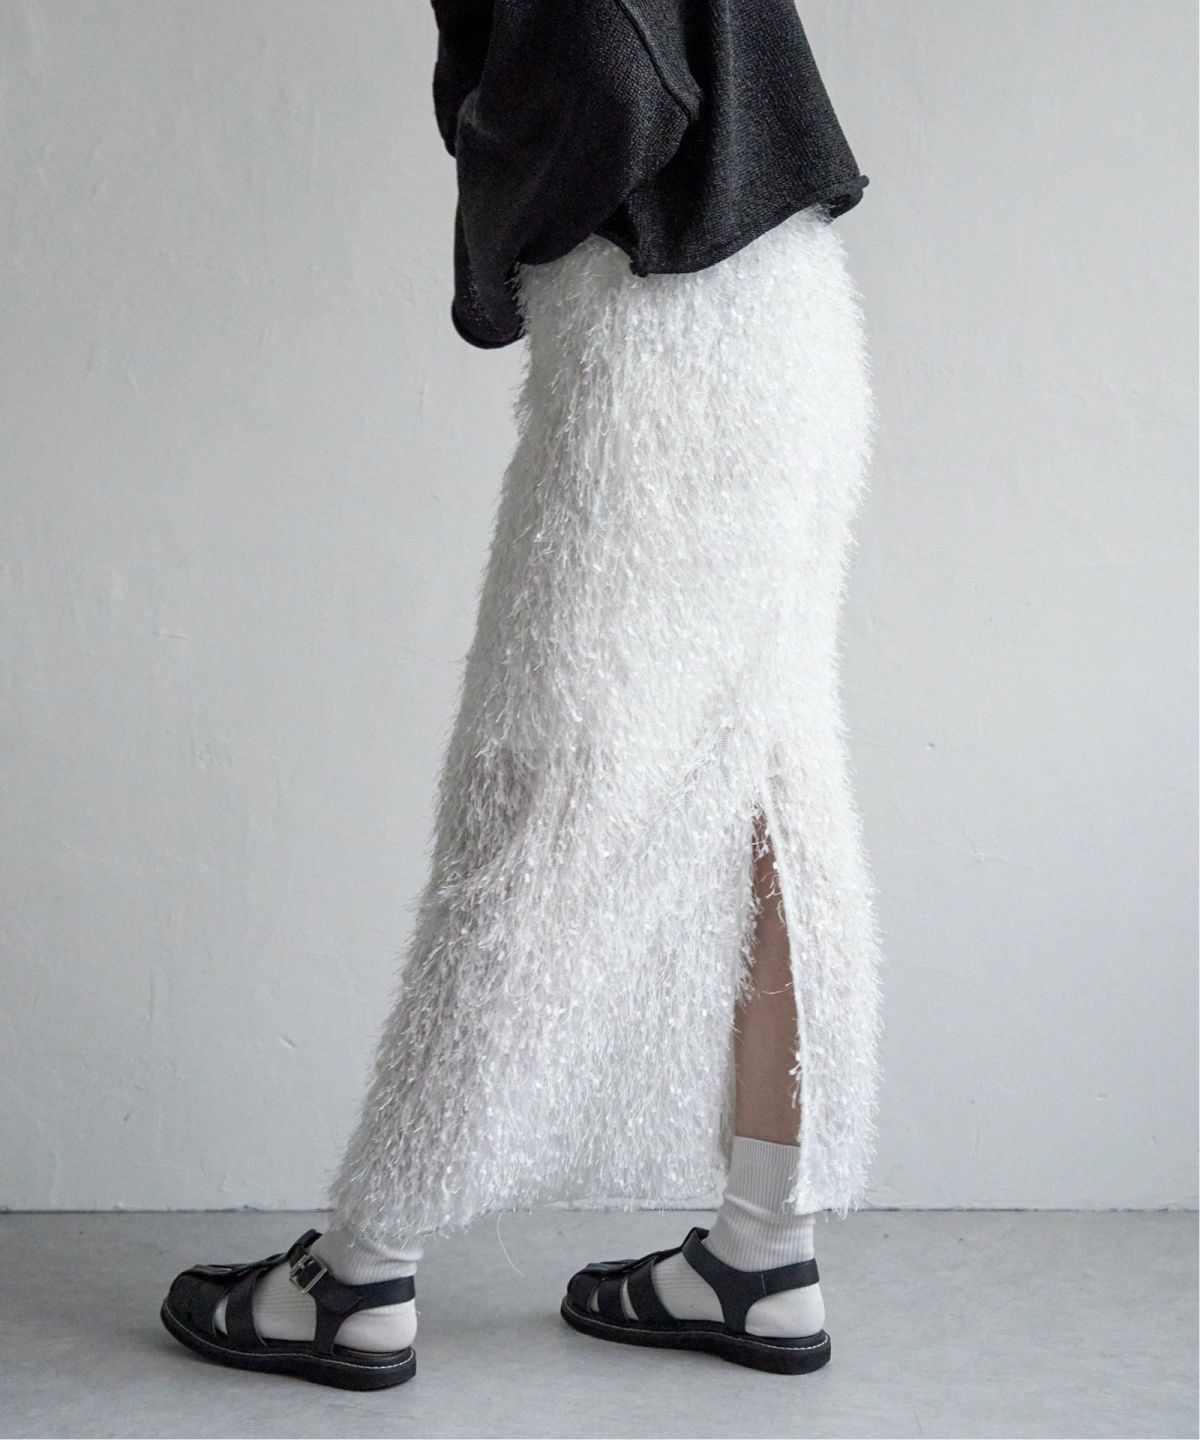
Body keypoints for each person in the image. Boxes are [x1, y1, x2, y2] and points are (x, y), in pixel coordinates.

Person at [160, 0, 882, 1390]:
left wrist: (496, 229)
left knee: (537, 790)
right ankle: (763, 1253)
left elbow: (614, 72)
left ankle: (360, 1274)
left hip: (664, 327)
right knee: (774, 790)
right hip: (788, 311)